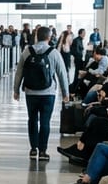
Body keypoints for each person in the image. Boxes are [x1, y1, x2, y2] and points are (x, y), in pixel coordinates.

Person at [13, 26, 69, 160]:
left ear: (37, 36)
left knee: (32, 120)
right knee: (45, 122)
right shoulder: (54, 52)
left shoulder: (27, 51)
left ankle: (33, 149)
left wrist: (16, 90)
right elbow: (62, 74)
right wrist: (66, 93)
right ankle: (43, 151)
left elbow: (19, 72)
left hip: (30, 92)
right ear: (49, 37)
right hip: (48, 93)